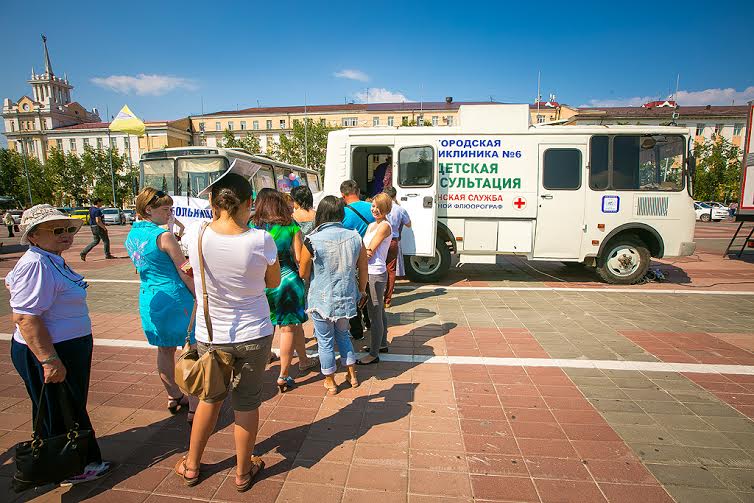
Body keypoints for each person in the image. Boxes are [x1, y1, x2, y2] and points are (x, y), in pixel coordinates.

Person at [175, 173, 280, 492]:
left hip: (212, 334)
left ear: (212, 203)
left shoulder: (197, 234)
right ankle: (243, 471)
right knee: (247, 402)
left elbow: (189, 268)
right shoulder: (261, 240)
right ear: (249, 204)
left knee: (209, 399)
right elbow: (272, 282)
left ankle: (192, 466)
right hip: (254, 332)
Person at [6, 205, 112, 485]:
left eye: (68, 229)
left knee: (68, 405)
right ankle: (69, 467)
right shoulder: (36, 265)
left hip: (65, 347)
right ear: (33, 236)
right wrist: (49, 360)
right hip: (52, 350)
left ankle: (78, 460)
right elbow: (26, 318)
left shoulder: (50, 258)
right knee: (59, 409)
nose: (66, 235)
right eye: (56, 230)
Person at [125, 188, 198, 422]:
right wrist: (199, 294)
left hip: (150, 296)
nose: (170, 214)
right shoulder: (163, 236)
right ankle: (195, 406)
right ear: (148, 209)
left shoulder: (132, 235)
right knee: (193, 347)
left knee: (164, 349)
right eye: (165, 209)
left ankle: (173, 395)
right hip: (175, 296)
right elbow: (184, 269)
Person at [299, 196, 368, 394]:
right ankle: (352, 374)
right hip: (347, 296)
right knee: (344, 335)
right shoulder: (355, 236)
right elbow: (363, 268)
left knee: (325, 340)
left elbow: (303, 273)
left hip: (321, 298)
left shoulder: (311, 240)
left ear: (321, 214)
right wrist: (361, 290)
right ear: (341, 214)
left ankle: (330, 380)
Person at [252, 189, 317, 392]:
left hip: (260, 281)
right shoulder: (290, 225)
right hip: (287, 281)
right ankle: (284, 374)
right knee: (288, 327)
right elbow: (299, 257)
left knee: (266, 326)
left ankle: (266, 362)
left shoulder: (253, 225)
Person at [357, 193, 393, 365]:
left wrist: (356, 258)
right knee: (378, 312)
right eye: (373, 206)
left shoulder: (385, 226)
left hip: (376, 273)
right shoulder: (372, 224)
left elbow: (370, 251)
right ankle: (382, 344)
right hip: (370, 271)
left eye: (378, 207)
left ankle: (374, 353)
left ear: (386, 209)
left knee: (374, 313)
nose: (374, 209)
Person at [340, 180, 375, 339]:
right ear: (358, 191)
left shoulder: (342, 213)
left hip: (351, 257)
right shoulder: (372, 208)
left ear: (342, 194)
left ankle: (357, 328)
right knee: (366, 289)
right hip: (371, 255)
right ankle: (370, 322)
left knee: (353, 292)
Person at [383, 187, 411, 307]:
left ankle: (377, 295)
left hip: (381, 239)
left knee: (378, 266)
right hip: (393, 240)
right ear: (395, 195)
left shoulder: (381, 207)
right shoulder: (400, 209)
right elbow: (409, 224)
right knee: (391, 269)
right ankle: (387, 300)